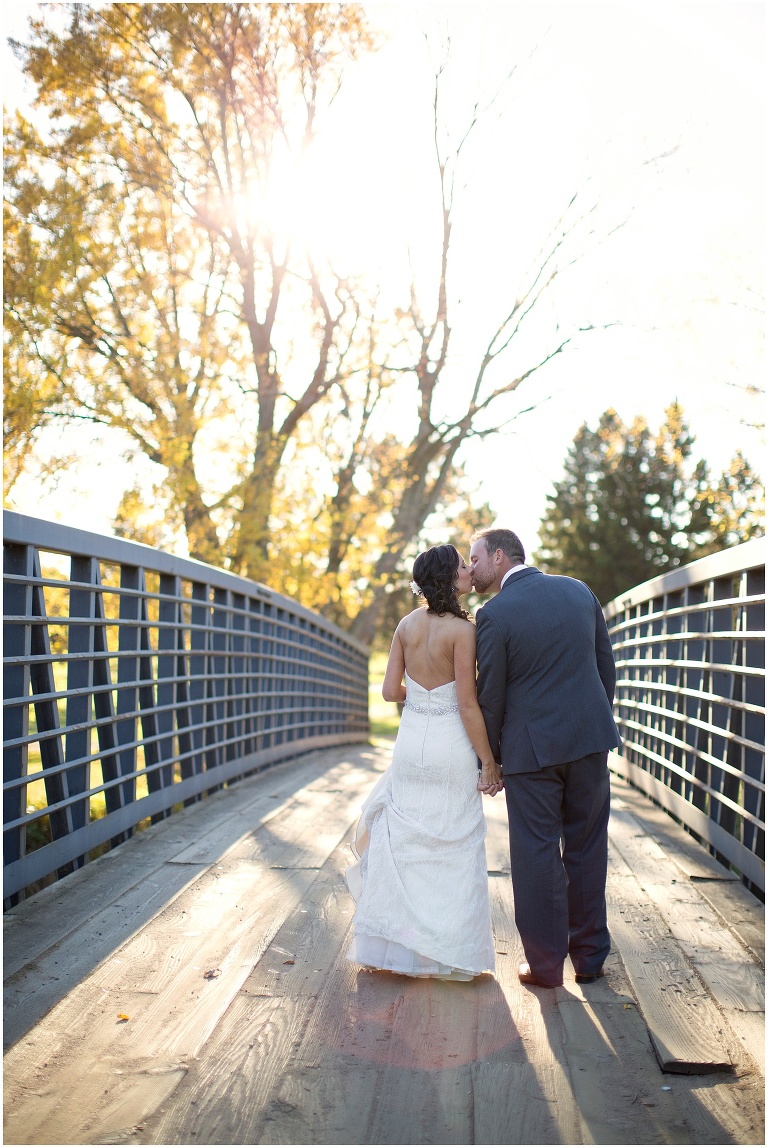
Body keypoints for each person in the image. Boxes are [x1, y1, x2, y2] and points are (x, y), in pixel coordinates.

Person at [469, 527, 620, 989]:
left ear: (499, 556)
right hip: (589, 741)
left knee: (536, 856)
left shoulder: (493, 614)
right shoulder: (578, 591)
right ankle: (590, 958)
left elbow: (490, 696)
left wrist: (490, 760)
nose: (470, 568)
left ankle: (546, 966)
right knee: (588, 848)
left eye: (474, 558)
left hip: (531, 753)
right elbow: (604, 667)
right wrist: (593, 724)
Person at [346, 544, 503, 981]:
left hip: (411, 743)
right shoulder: (463, 631)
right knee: (453, 841)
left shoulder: (405, 626)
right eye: (461, 567)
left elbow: (389, 692)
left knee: (408, 843)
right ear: (449, 579)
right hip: (451, 744)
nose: (469, 571)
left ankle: (399, 948)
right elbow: (468, 705)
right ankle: (445, 952)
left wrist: (421, 697)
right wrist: (488, 761)